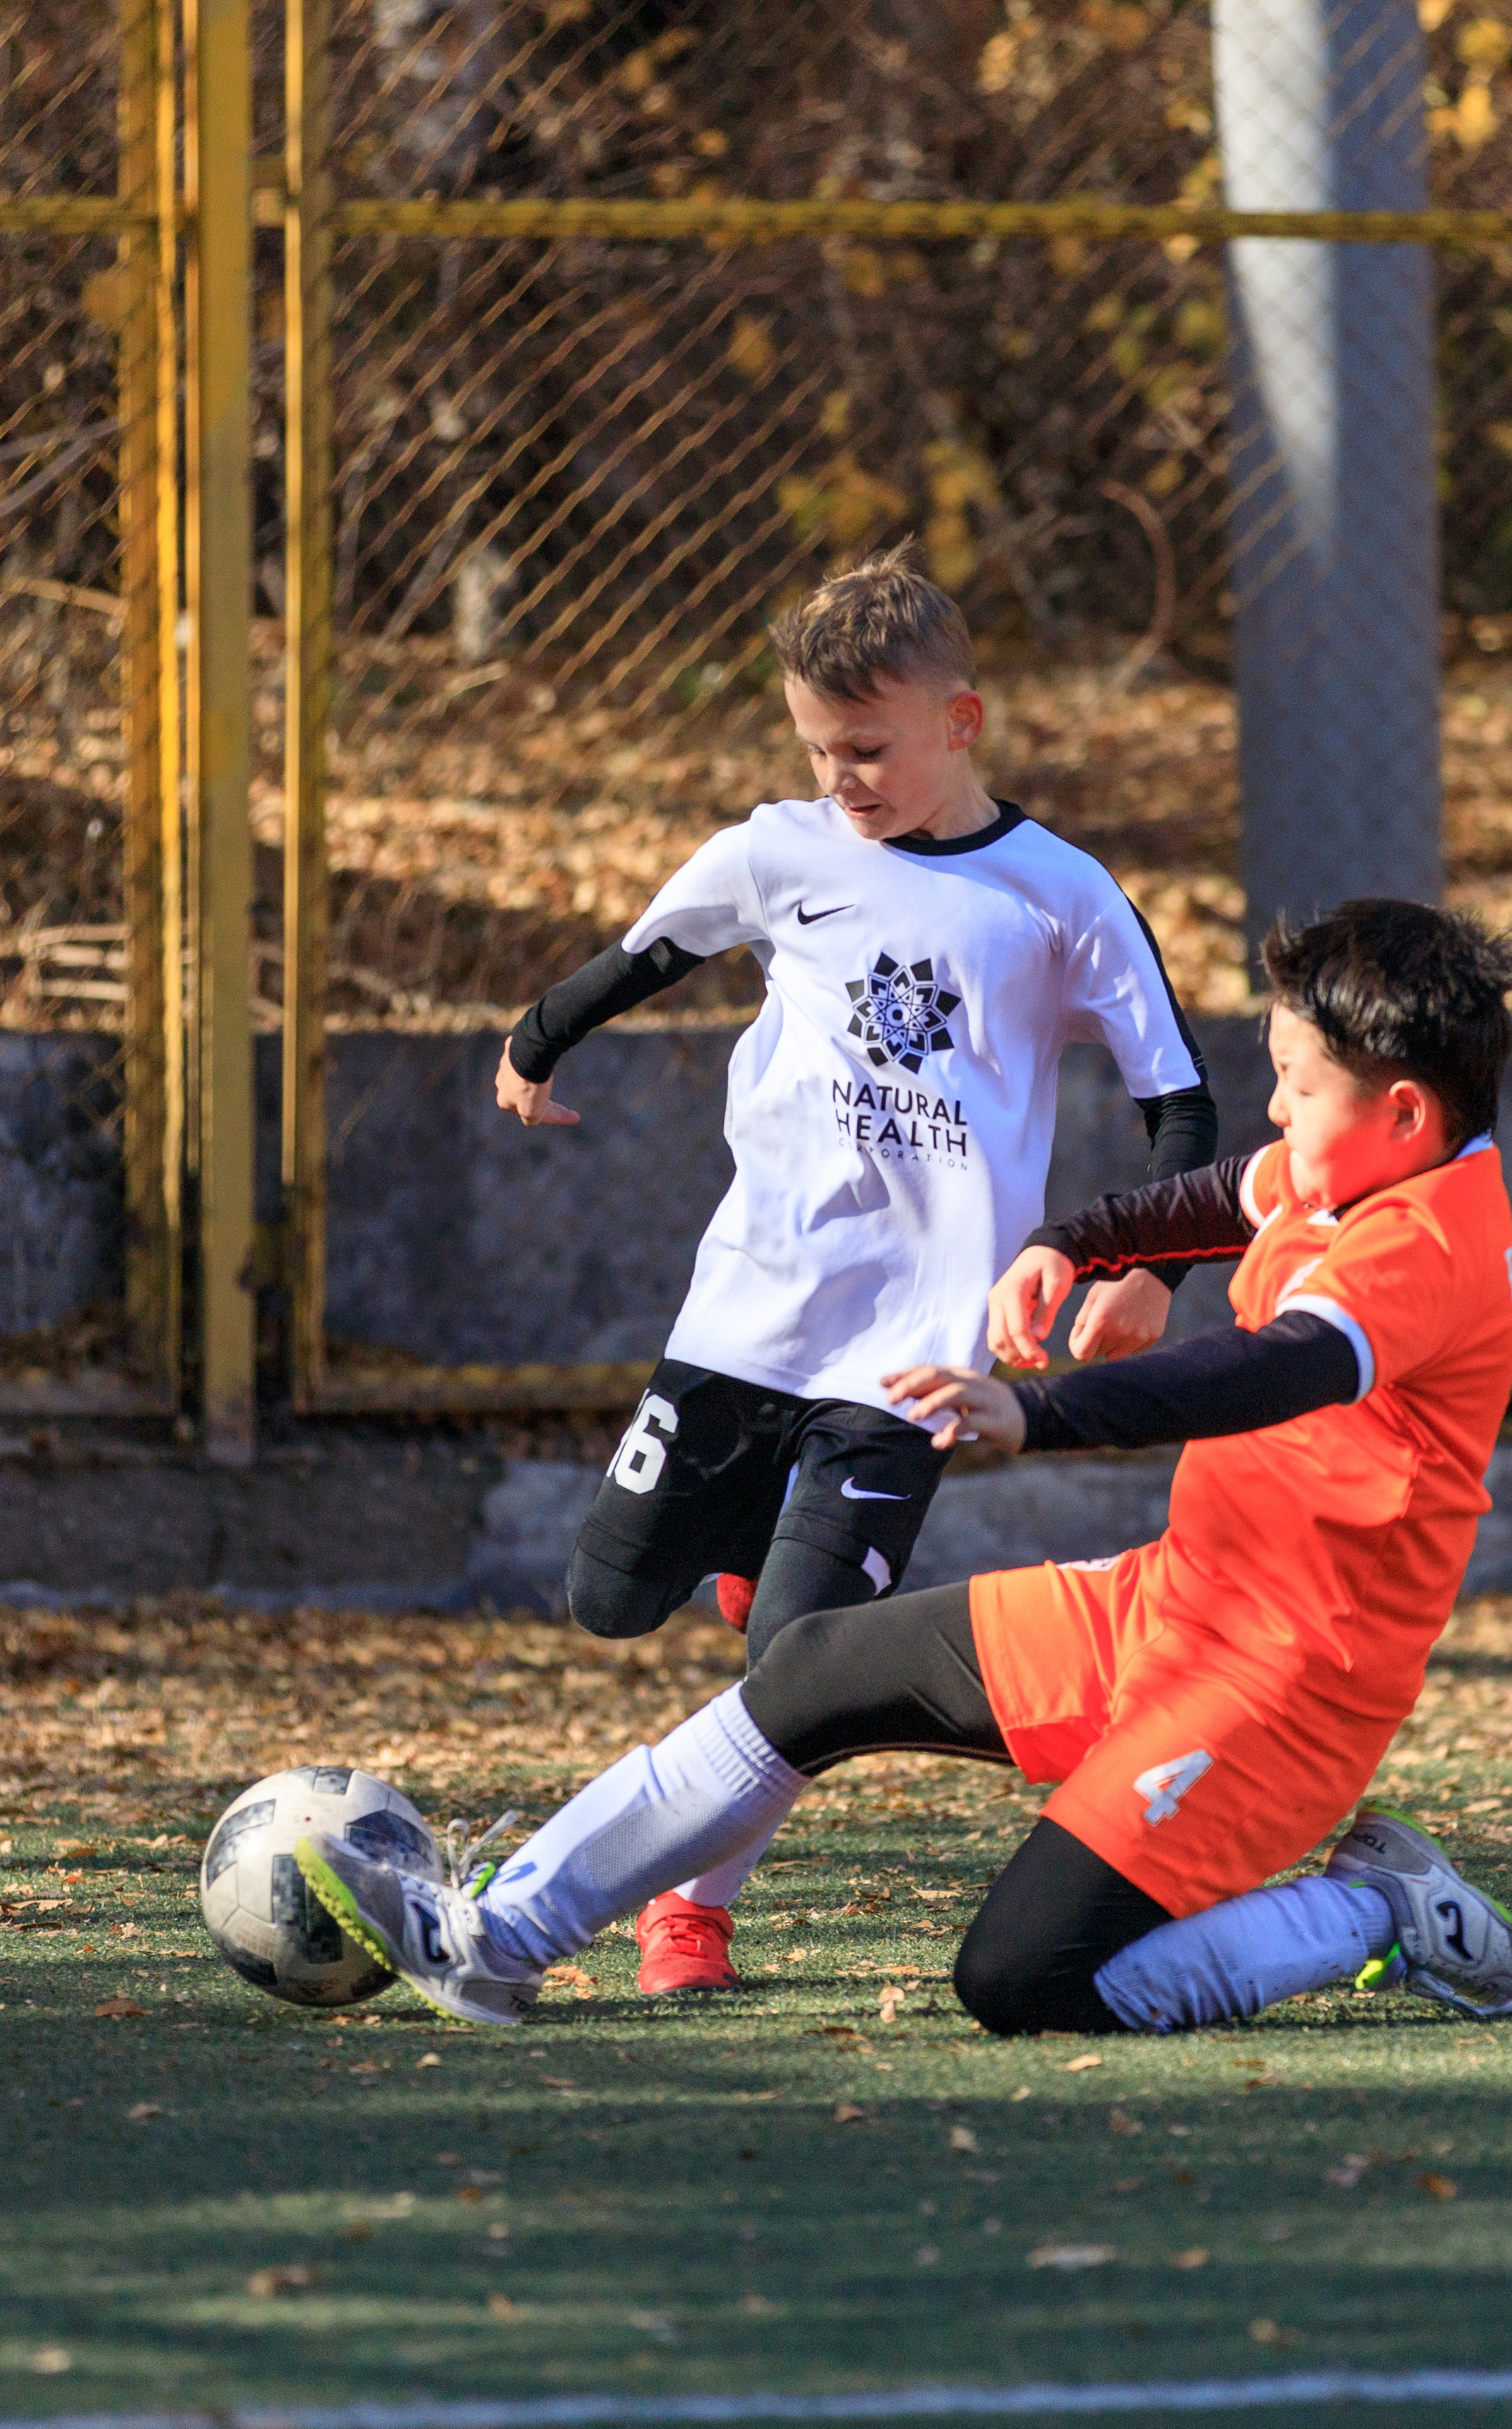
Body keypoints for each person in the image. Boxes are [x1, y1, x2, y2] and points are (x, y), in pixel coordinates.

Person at [299, 898, 1512, 2036]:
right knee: (812, 1673)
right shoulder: (1369, 1161)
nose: (1276, 1109)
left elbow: (1265, 1371)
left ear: (1402, 1113)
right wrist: (1071, 1244)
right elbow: (1228, 1193)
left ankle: (1381, 1912)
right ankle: (496, 1938)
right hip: (1167, 1608)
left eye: (1297, 1085)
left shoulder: (1427, 1243)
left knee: (1026, 1984)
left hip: (1284, 1695)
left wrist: (1040, 1416)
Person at [489, 545, 1215, 1993]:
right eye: (818, 750)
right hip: (750, 1313)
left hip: (918, 1351)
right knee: (606, 1599)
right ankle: (746, 1577)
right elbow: (647, 951)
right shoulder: (781, 847)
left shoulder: (1060, 894)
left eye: (869, 749)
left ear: (962, 721)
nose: (843, 780)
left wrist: (1153, 1276)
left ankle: (688, 1912)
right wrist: (533, 1041)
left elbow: (1178, 1104)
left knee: (796, 1672)